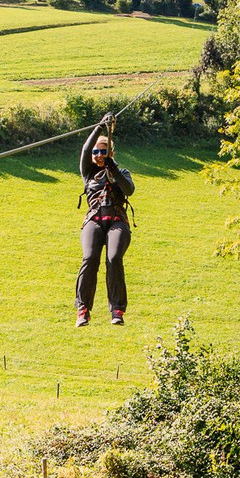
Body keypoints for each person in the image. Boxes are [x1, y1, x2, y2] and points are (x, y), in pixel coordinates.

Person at [75, 116, 135, 327]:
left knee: (114, 258)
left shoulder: (122, 173)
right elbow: (84, 149)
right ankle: (83, 309)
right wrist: (100, 125)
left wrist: (114, 169)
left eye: (103, 152)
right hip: (94, 220)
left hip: (117, 220)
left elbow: (129, 190)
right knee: (90, 257)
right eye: (96, 152)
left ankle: (117, 310)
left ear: (110, 153)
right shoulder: (88, 173)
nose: (98, 155)